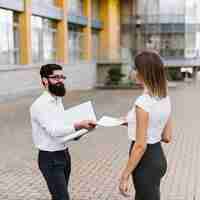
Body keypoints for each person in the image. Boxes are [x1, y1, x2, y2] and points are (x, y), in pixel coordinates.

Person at [30, 64, 96, 200]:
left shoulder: (57, 100)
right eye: (55, 77)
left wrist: (84, 130)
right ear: (44, 80)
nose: (60, 80)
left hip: (64, 155)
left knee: (58, 196)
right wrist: (78, 125)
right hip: (50, 158)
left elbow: (64, 128)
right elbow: (54, 131)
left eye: (62, 77)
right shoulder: (40, 105)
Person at [119, 50, 172, 200]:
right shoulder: (164, 96)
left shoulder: (143, 103)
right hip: (158, 158)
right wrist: (131, 122)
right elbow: (167, 136)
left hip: (145, 163)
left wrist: (124, 176)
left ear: (142, 72)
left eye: (135, 69)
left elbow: (140, 145)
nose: (133, 72)